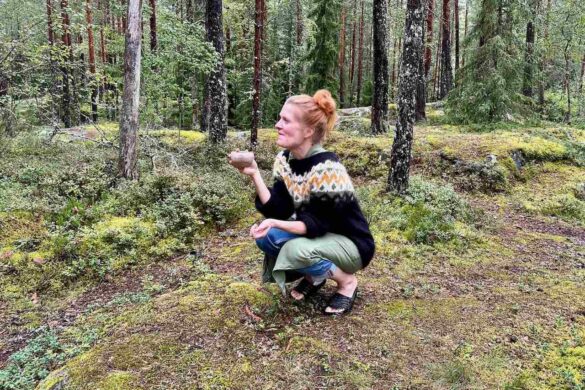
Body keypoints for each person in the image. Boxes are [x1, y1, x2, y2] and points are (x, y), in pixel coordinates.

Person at [229, 89, 375, 315]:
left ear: (308, 131)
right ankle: (315, 277)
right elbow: (279, 208)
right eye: (279, 118)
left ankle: (347, 282)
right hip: (319, 236)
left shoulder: (327, 168)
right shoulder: (285, 159)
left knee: (295, 249)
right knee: (266, 238)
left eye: (285, 120)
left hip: (351, 244)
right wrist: (255, 174)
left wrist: (276, 223)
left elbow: (316, 225)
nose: (277, 124)